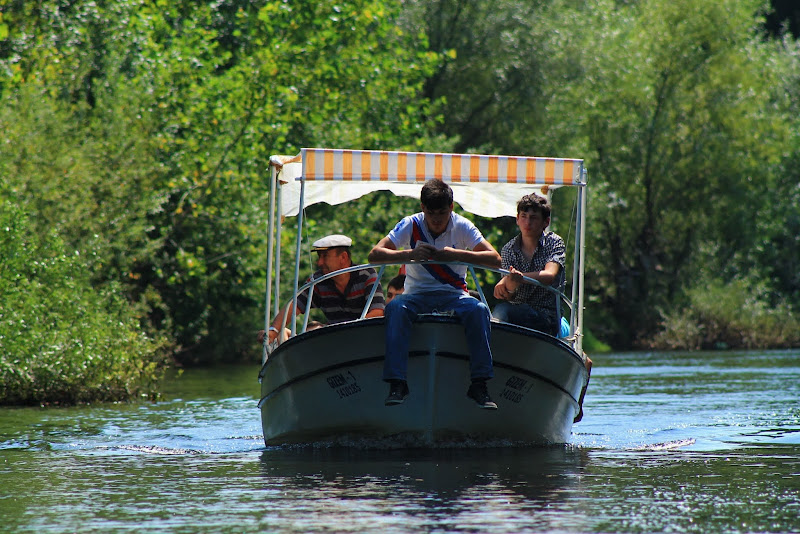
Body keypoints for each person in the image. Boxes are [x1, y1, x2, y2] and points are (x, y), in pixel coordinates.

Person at [368, 179, 502, 409]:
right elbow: (374, 255)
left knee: (479, 310)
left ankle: (479, 384)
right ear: (422, 208)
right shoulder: (410, 224)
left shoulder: (463, 226)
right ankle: (397, 383)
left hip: (454, 294)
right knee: (395, 308)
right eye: (431, 213)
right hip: (416, 295)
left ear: (451, 207)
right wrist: (410, 253)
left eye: (442, 212)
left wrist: (457, 255)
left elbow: (495, 259)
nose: (437, 219)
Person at [261, 234, 385, 344]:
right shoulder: (318, 281)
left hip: (366, 341)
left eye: (325, 256)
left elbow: (377, 312)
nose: (319, 262)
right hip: (334, 344)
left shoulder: (367, 275)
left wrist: (348, 335)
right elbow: (294, 305)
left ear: (343, 257)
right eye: (319, 256)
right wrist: (273, 330)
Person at [493, 193, 565, 336]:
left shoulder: (554, 242)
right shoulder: (508, 249)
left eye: (533, 218)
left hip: (546, 317)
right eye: (524, 217)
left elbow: (549, 275)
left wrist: (516, 278)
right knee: (500, 308)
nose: (528, 222)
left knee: (504, 311)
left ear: (546, 222)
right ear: (517, 219)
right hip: (517, 312)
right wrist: (508, 285)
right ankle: (493, 338)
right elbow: (510, 296)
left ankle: (494, 336)